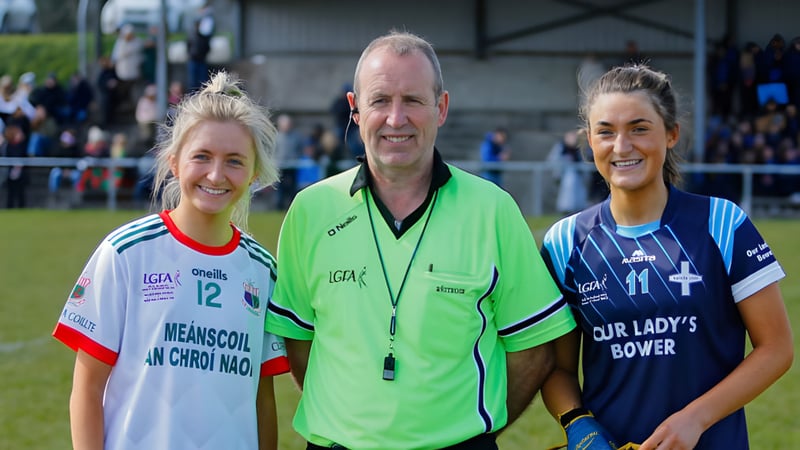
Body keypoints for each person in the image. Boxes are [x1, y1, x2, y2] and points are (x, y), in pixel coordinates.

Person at [264, 30, 576, 450]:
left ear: (440, 108)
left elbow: (534, 348)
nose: (396, 119)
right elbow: (298, 342)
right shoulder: (311, 210)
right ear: (355, 111)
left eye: (413, 100)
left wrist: (468, 430)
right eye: (380, 100)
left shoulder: (493, 209)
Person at [539, 64, 794, 449]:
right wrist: (579, 426)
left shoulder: (721, 222)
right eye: (605, 132)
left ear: (671, 134)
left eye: (639, 129)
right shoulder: (564, 241)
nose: (622, 146)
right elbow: (556, 368)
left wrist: (695, 419)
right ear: (589, 141)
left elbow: (776, 349)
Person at [52, 70, 290, 450]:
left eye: (234, 161)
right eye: (202, 156)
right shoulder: (126, 253)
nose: (216, 174)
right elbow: (87, 386)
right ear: (174, 162)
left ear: (254, 174)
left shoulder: (263, 270)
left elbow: (263, 399)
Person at [187, 1, 216, 92]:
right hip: (193, 59)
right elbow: (188, 44)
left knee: (203, 83)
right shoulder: (193, 34)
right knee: (193, 84)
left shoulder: (204, 33)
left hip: (201, 59)